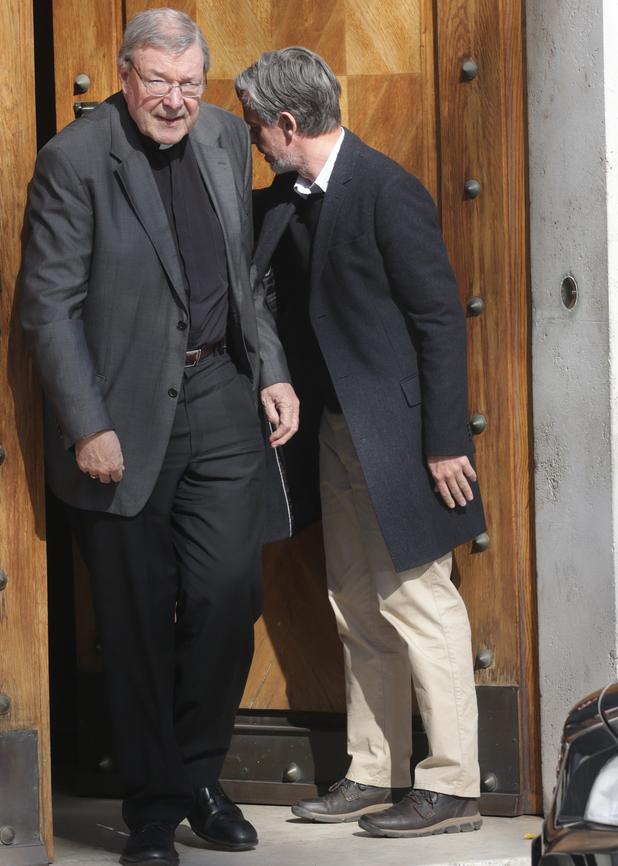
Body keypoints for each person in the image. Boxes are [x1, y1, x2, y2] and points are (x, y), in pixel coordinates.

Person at [19, 10, 298, 866]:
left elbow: (244, 274)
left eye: (189, 83)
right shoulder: (75, 159)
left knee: (226, 596)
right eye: (157, 82)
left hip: (218, 390)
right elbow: (49, 306)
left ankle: (199, 777)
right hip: (123, 415)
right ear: (125, 74)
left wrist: (273, 366)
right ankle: (152, 809)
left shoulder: (221, 134)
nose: (175, 101)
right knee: (136, 619)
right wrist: (88, 423)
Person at [235, 47, 486, 839]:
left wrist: (445, 442)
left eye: (254, 128)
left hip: (405, 439)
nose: (252, 142)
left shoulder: (386, 189)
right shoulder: (284, 198)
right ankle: (374, 770)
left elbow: (439, 322)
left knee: (419, 599)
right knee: (355, 602)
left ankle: (452, 786)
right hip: (337, 432)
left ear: (286, 123)